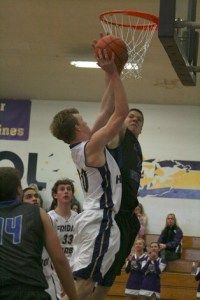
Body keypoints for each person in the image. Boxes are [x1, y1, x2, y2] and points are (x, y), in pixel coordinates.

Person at [49, 50, 129, 300]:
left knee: (87, 286)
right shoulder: (91, 147)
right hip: (99, 220)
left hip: (94, 219)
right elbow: (121, 112)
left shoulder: (84, 147)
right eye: (82, 120)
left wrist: (110, 72)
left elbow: (107, 107)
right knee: (83, 286)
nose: (87, 121)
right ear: (77, 127)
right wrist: (115, 73)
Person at [91, 50, 144, 299]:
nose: (133, 119)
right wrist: (112, 74)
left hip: (128, 219)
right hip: (111, 217)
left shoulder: (136, 146)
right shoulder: (117, 138)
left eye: (138, 119)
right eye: (131, 116)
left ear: (141, 128)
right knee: (95, 275)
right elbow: (112, 109)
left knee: (110, 276)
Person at [0, 166, 78, 300]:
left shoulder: (74, 217)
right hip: (31, 289)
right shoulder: (40, 214)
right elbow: (59, 260)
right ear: (19, 190)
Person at [23, 186, 62, 300]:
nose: (34, 199)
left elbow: (56, 253)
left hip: (47, 278)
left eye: (36, 196)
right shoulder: (17, 222)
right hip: (26, 280)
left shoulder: (50, 219)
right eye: (29, 197)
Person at [48, 179, 78, 299]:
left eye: (69, 189)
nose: (66, 191)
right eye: (62, 189)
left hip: (75, 264)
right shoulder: (49, 217)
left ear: (72, 195)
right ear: (55, 195)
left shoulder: (78, 217)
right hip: (55, 266)